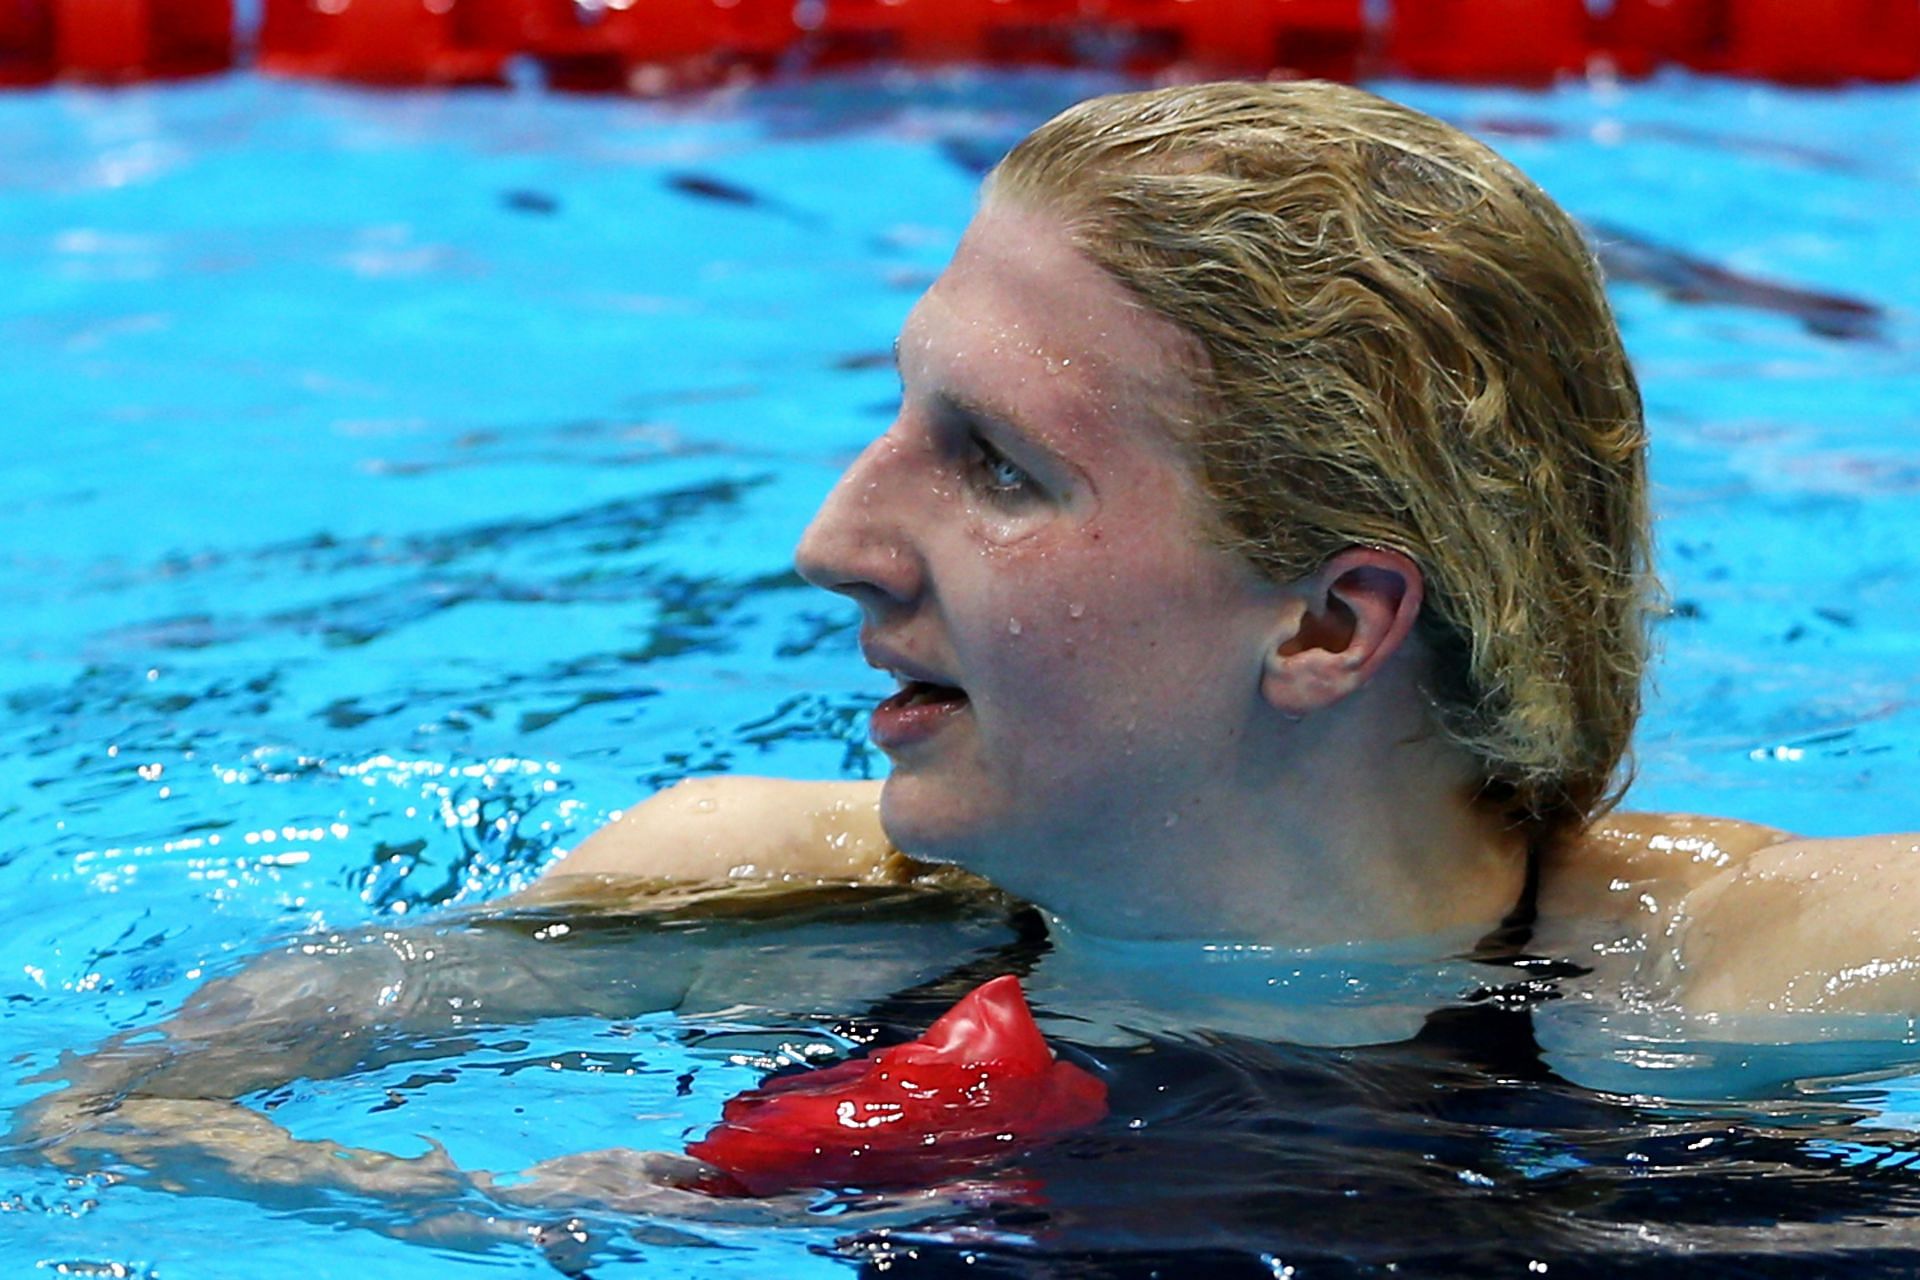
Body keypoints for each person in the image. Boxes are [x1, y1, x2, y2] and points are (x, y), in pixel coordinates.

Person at [16, 80, 1920, 1231]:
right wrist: (437, 1218)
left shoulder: (1731, 977)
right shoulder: (722, 897)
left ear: (1334, 624)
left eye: (993, 466)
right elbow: (100, 1110)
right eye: (897, 414)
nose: (834, 541)